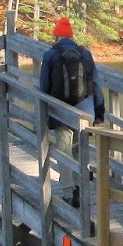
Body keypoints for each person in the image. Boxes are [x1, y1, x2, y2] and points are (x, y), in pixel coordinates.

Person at [38, 17, 105, 205]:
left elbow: (44, 86)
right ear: (71, 36)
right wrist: (99, 113)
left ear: (56, 35)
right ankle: (80, 185)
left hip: (61, 112)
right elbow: (97, 85)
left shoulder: (50, 55)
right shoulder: (85, 54)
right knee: (79, 148)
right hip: (85, 111)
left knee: (64, 150)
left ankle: (69, 191)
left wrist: (45, 113)